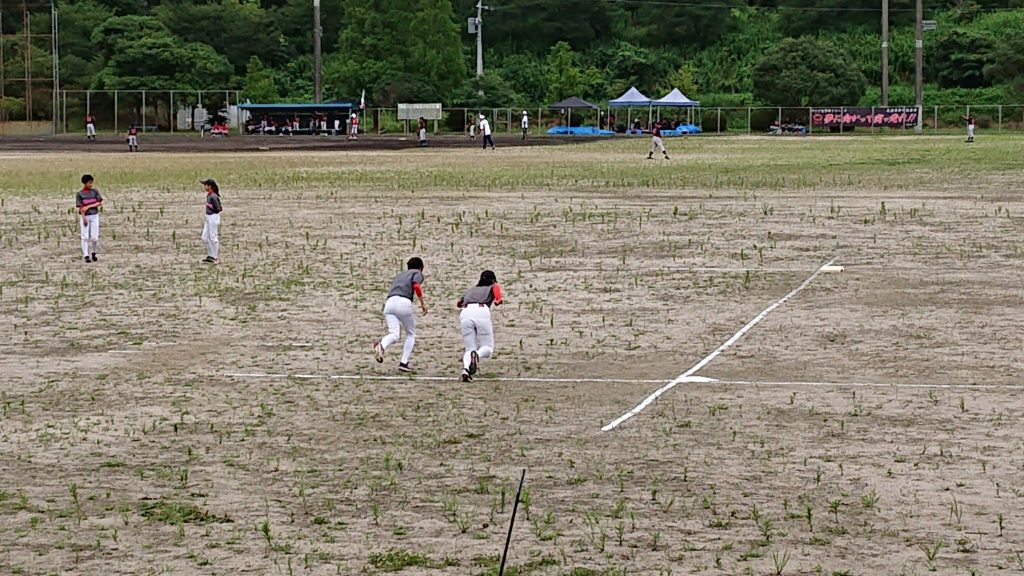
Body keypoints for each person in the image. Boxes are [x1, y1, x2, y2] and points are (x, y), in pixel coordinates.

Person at [373, 257, 428, 372]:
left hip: (389, 303)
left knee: (394, 333)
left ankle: (381, 346)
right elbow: (416, 286)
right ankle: (404, 362)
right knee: (411, 334)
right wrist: (422, 303)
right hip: (403, 302)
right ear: (421, 268)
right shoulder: (417, 273)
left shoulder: (400, 275)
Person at [456, 270, 503, 382]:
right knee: (487, 347)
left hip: (465, 312)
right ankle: (476, 355)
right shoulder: (493, 285)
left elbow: (459, 303)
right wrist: (498, 301)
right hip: (481, 311)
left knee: (469, 348)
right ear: (493, 279)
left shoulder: (472, 289)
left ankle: (466, 370)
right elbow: (497, 297)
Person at [76, 175, 103, 262]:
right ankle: (86, 255)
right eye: (89, 183)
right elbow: (80, 207)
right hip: (85, 216)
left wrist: (88, 207)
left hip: (94, 215)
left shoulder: (95, 192)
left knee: (94, 237)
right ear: (85, 183)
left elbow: (99, 203)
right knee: (85, 236)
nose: (91, 184)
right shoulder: (80, 194)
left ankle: (94, 252)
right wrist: (84, 218)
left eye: (91, 182)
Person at [200, 179, 223, 264]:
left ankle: (216, 257)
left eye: (205, 185)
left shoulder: (213, 196)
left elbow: (219, 208)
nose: (204, 187)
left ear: (210, 186)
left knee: (213, 237)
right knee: (205, 237)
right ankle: (211, 255)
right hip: (208, 217)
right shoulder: (209, 195)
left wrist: (209, 206)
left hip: (213, 217)